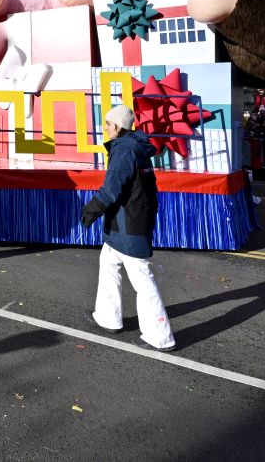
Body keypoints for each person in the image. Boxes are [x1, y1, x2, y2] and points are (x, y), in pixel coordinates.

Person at [80, 105, 176, 351]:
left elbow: (112, 187)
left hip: (127, 220)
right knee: (108, 262)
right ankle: (107, 316)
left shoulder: (123, 149)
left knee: (141, 276)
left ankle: (160, 335)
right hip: (133, 217)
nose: (105, 127)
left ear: (118, 127)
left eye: (108, 123)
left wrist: (91, 210)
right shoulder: (137, 147)